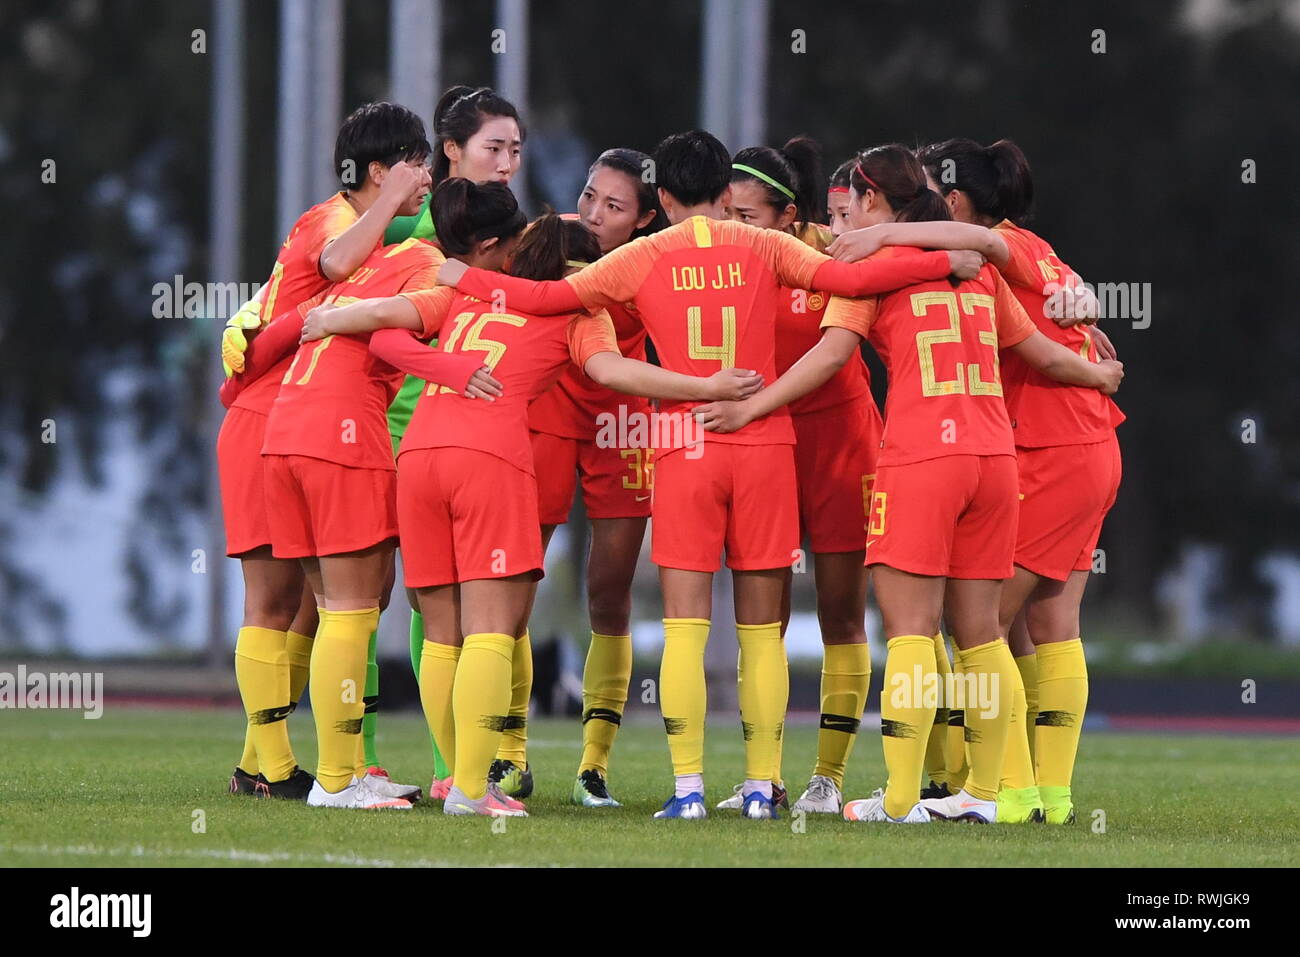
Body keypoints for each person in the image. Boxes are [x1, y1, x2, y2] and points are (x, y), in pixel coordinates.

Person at [435, 130, 988, 819]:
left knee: (685, 628)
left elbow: (548, 301)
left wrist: (467, 278)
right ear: (726, 194)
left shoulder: (642, 254)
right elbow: (849, 281)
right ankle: (763, 785)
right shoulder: (765, 245)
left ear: (661, 199)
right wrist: (941, 262)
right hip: (764, 446)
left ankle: (689, 789)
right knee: (762, 633)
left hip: (684, 441)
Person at [299, 184, 765, 816]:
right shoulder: (578, 312)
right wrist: (703, 384)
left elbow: (385, 334)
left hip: (418, 457)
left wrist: (335, 322)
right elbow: (616, 373)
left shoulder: (472, 292)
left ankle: (454, 779)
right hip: (489, 459)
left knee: (441, 636)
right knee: (492, 630)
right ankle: (469, 790)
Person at [690, 143, 1123, 823]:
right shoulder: (981, 271)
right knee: (982, 631)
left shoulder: (873, 270)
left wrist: (750, 405)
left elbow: (831, 355)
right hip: (995, 459)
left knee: (912, 630)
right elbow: (1039, 349)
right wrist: (1099, 371)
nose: (840, 226)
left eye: (849, 208)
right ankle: (988, 792)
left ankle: (898, 797)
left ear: (870, 202)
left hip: (922, 458)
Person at [217, 101, 432, 800]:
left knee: (302, 605)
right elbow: (337, 260)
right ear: (380, 170)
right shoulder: (340, 220)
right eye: (414, 163)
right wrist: (395, 201)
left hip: (281, 414)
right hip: (273, 415)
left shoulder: (339, 219)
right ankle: (276, 767)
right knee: (279, 602)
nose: (423, 177)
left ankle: (264, 762)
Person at [918, 138, 1125, 825]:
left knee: (980, 620)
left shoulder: (1003, 245)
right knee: (1049, 620)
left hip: (1052, 447)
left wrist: (871, 234)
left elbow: (1080, 332)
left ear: (953, 200)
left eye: (924, 189)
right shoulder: (1041, 251)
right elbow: (1089, 322)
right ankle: (1048, 795)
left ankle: (1002, 791)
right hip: (1089, 444)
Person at [711, 138, 878, 816]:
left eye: (745, 215)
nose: (729, 225)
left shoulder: (830, 257)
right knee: (764, 617)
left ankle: (828, 778)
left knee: (842, 612)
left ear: (787, 216)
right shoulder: (718, 259)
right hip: (767, 444)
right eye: (725, 211)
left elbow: (841, 352)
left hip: (840, 443)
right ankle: (765, 777)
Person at [382, 85, 527, 795]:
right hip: (398, 427)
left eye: (515, 150)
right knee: (388, 601)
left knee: (475, 609)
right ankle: (388, 763)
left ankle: (479, 764)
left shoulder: (506, 238)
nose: (507, 162)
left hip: (467, 435)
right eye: (493, 148)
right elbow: (331, 282)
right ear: (451, 152)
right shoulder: (410, 234)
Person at [523, 149, 667, 808]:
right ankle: (507, 755)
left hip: (621, 417)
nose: (593, 214)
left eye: (614, 206)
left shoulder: (659, 261)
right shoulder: (545, 238)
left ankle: (594, 766)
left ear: (643, 220)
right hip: (549, 404)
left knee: (609, 592)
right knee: (516, 580)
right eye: (589, 196)